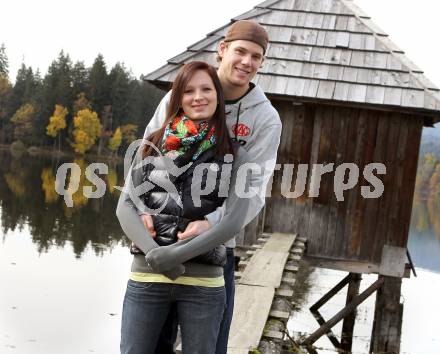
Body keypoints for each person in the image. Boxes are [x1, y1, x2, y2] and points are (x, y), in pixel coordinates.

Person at [140, 20, 282, 354]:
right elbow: (146, 160)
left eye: (256, 57)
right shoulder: (182, 95)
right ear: (222, 50)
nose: (247, 62)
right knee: (149, 345)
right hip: (160, 238)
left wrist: (213, 223)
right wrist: (144, 210)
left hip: (214, 250)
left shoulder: (265, 119)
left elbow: (253, 190)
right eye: (241, 52)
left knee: (210, 347)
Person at [117, 61, 239, 354]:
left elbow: (234, 216)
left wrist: (176, 256)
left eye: (206, 89)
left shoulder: (231, 151)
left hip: (204, 282)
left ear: (217, 96)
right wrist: (156, 254)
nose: (198, 97)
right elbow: (125, 207)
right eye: (189, 91)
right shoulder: (152, 144)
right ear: (177, 98)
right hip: (148, 274)